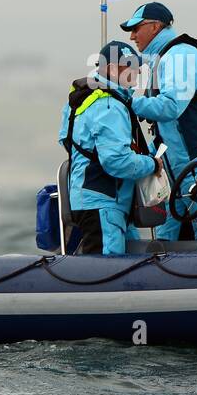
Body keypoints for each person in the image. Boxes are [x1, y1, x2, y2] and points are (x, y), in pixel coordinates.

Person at [119, 2, 197, 241]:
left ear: (155, 27)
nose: (132, 36)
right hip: (175, 165)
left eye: (136, 28)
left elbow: (171, 106)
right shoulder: (163, 59)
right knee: (170, 232)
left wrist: (126, 102)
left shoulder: (181, 55)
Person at [57, 41, 159, 255]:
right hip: (103, 204)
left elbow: (65, 140)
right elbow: (116, 161)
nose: (137, 73)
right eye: (133, 68)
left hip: (87, 199)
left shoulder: (82, 98)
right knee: (106, 274)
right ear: (115, 68)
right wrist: (151, 164)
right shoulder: (110, 105)